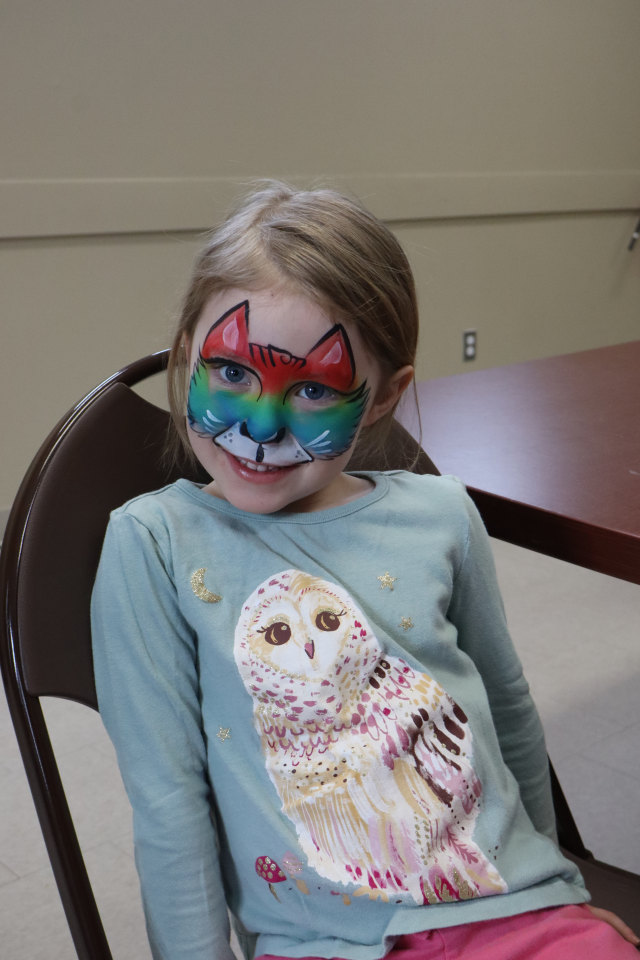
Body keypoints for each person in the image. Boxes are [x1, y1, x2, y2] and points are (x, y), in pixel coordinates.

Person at [91, 183, 639, 960]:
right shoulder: (154, 544)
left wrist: (555, 888)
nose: (260, 427)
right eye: (233, 375)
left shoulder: (442, 513)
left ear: (383, 396)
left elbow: (508, 710)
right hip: (322, 940)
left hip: (510, 907)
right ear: (187, 355)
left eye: (311, 391)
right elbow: (167, 801)